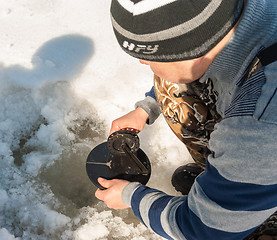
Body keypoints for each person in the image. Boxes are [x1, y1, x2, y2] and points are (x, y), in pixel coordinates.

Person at [95, 0, 277, 239]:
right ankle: (236, 185)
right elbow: (181, 64)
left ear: (193, 49)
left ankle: (255, 211)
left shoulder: (259, 126)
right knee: (170, 81)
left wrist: (131, 196)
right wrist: (146, 109)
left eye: (148, 56)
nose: (142, 62)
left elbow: (202, 231)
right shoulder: (238, 12)